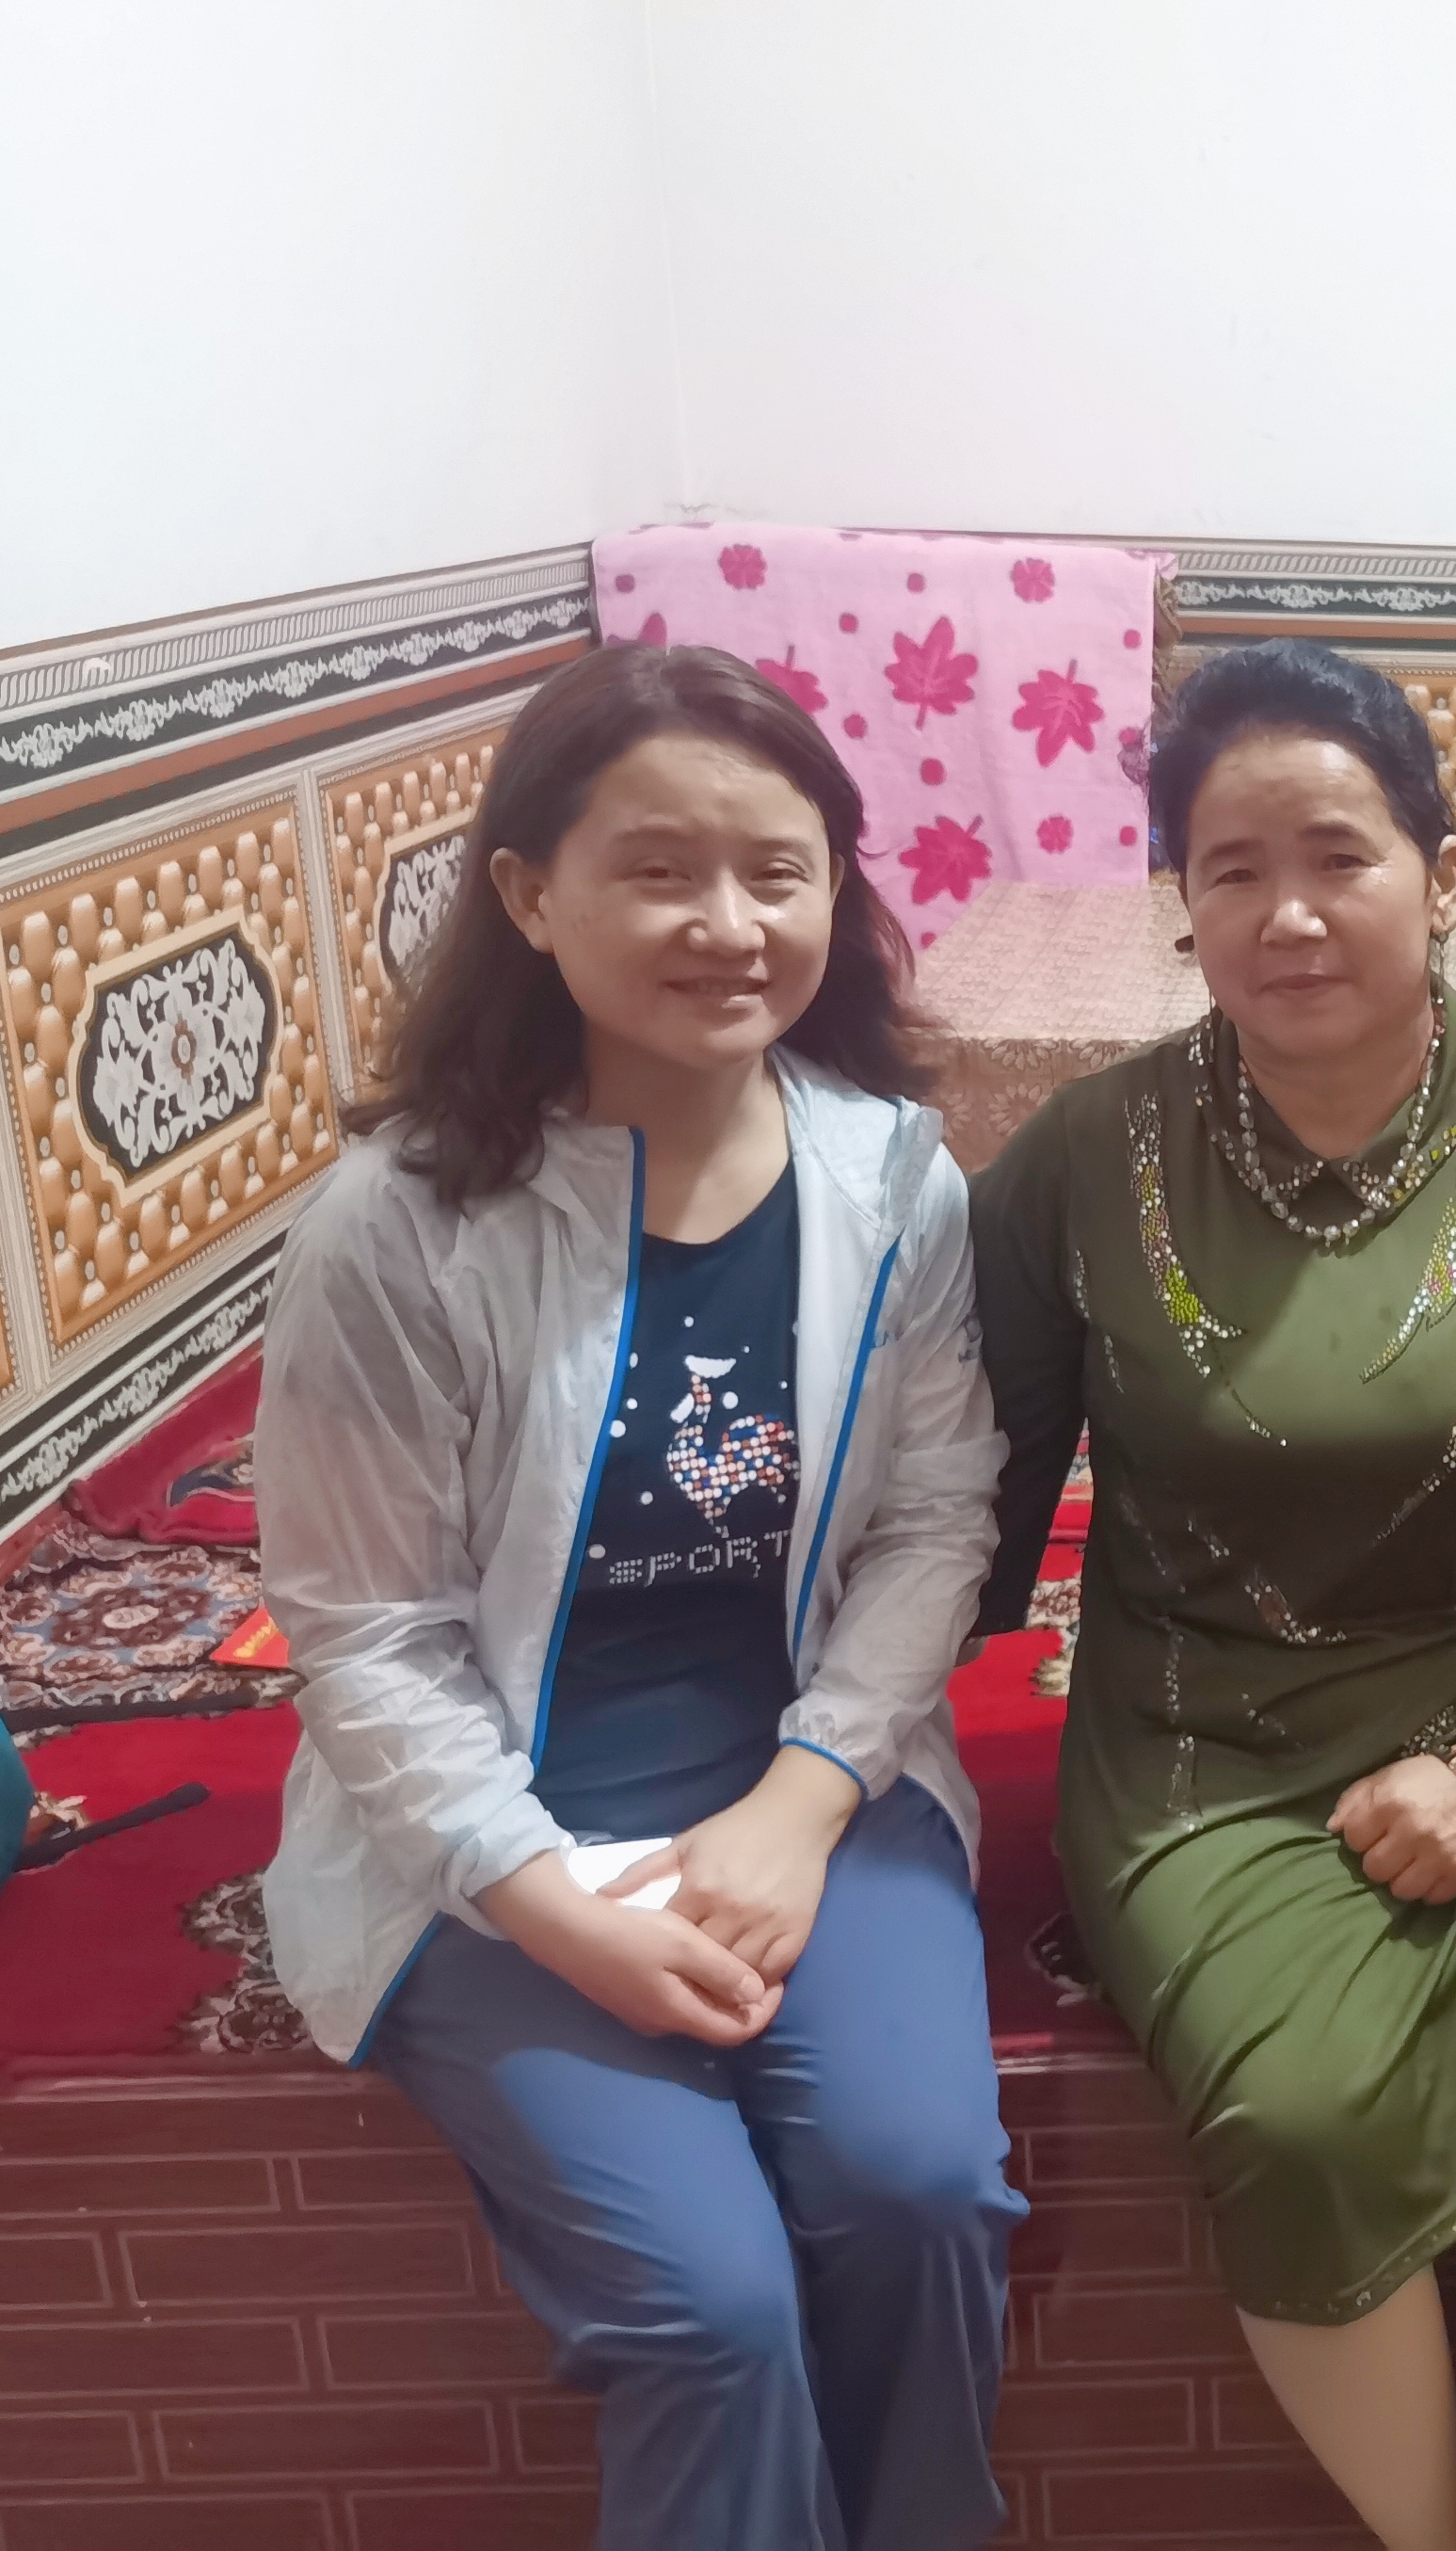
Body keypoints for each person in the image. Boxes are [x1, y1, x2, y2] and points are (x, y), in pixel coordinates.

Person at [968, 638, 1456, 2551]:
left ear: (1442, 871)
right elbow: (969, 1502)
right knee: (1297, 2119)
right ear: (1183, 902)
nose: (1290, 914)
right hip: (1203, 1738)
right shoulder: (1086, 1155)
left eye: (1340, 855)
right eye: (1232, 869)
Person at [259, 643, 1024, 2551]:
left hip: (808, 1789)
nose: (729, 925)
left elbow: (941, 1517)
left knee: (922, 2190)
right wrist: (547, 1908)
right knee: (711, 2308)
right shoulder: (401, 1225)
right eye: (660, 870)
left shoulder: (890, 1179)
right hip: (488, 1840)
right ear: (530, 895)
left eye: (779, 871)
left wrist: (802, 1802)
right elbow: (361, 1633)